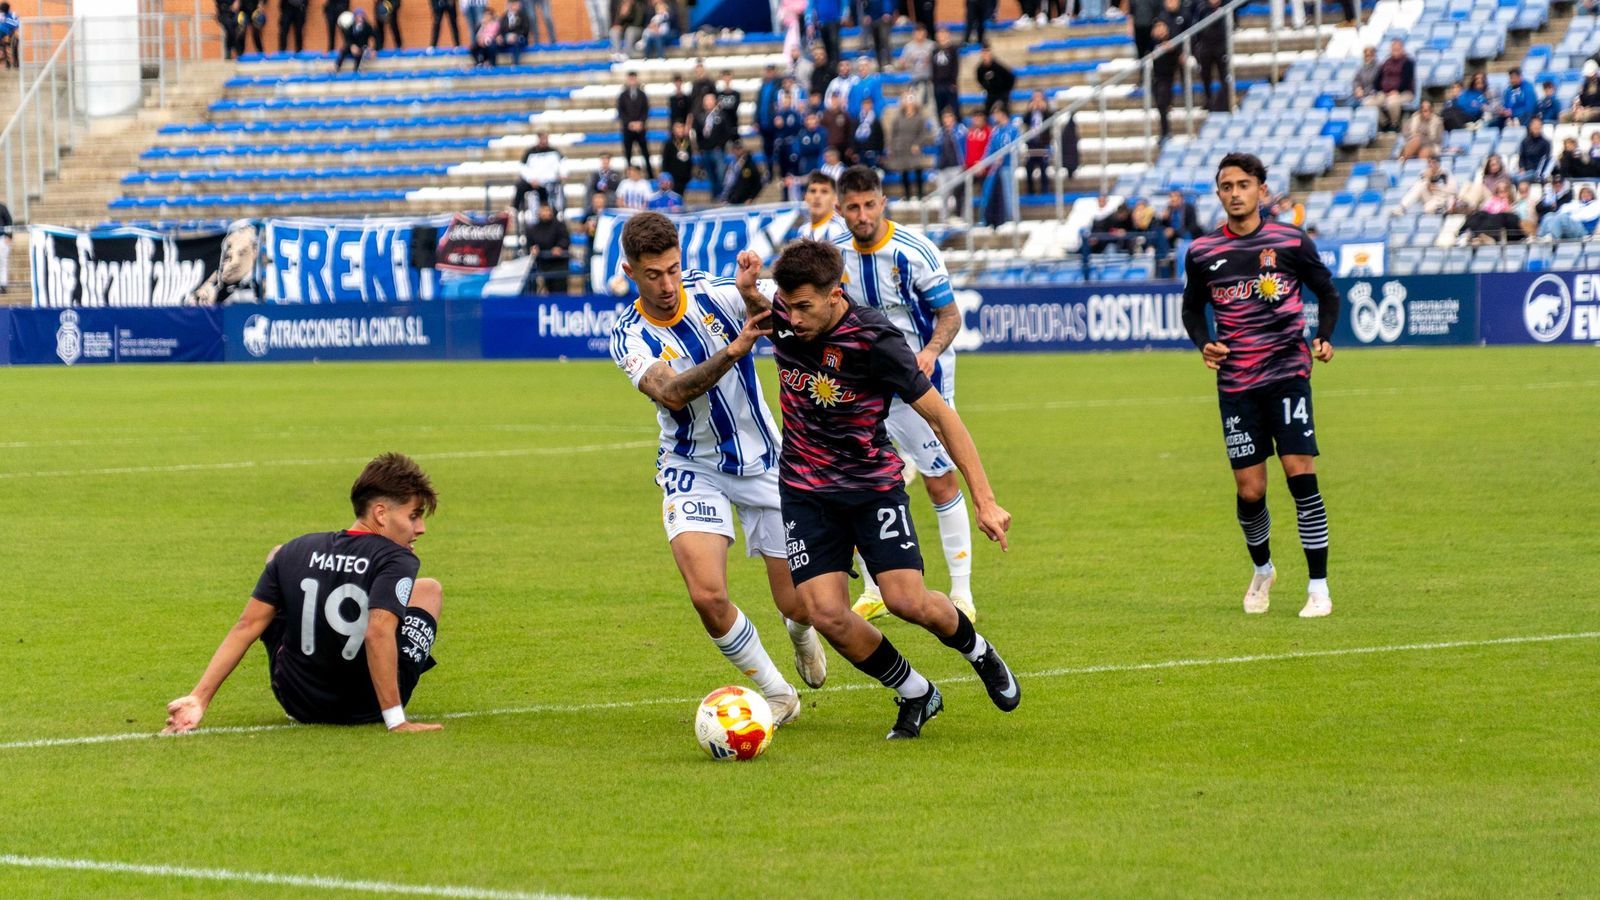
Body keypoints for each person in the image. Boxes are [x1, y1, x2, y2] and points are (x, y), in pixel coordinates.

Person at [731, 239, 1019, 740]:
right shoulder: (782, 311)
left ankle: (979, 651)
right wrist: (750, 291)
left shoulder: (876, 340)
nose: (793, 320)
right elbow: (770, 311)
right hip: (804, 489)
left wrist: (985, 499)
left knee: (907, 600)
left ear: (836, 293)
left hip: (871, 488)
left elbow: (942, 418)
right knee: (825, 613)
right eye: (788, 306)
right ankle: (916, 692)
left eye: (805, 308)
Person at [607, 213, 824, 726]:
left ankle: (799, 632)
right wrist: (733, 349)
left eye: (673, 270)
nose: (666, 284)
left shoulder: (717, 293)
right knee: (707, 594)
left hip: (763, 460)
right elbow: (670, 392)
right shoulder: (629, 334)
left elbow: (793, 318)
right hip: (690, 464)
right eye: (653, 274)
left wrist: (752, 294)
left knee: (798, 604)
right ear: (630, 272)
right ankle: (777, 694)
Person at [162, 454, 445, 735]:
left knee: (277, 559)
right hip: (366, 707)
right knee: (429, 591)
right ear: (381, 514)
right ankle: (390, 703)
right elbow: (378, 631)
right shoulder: (397, 559)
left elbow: (247, 625)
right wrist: (396, 721)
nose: (420, 528)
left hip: (298, 701)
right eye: (414, 516)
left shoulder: (296, 549)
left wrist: (199, 697)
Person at [1181, 152, 1340, 619]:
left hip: (1288, 375)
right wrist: (1204, 343)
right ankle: (1263, 569)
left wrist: (1325, 335)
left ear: (1260, 190)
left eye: (1243, 185)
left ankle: (1318, 587)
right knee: (1250, 490)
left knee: (1300, 476)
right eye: (1226, 186)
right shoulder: (1203, 252)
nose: (1235, 193)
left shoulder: (1291, 242)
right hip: (1236, 384)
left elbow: (1327, 291)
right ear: (1218, 193)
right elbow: (1192, 308)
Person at [825, 167, 980, 623]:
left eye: (869, 204)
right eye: (852, 207)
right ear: (839, 209)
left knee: (939, 480)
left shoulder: (914, 251)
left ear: (883, 202)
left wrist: (929, 353)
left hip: (917, 378)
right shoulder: (833, 256)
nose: (862, 215)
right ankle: (874, 588)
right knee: (851, 481)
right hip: (860, 382)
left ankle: (962, 593)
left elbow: (949, 316)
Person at [188, 223, 259, 304]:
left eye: (241, 253)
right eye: (228, 247)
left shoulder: (259, 286)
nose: (229, 253)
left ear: (254, 252)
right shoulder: (217, 285)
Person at [886, 93, 935, 201]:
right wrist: (892, 147)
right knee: (904, 172)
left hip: (914, 149)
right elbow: (893, 134)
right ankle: (907, 195)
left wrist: (918, 144)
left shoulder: (920, 118)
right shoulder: (898, 118)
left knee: (918, 171)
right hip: (901, 149)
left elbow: (924, 133)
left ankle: (920, 194)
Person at [1365, 39, 1414, 132]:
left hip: (1403, 92)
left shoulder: (1408, 62)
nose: (1395, 51)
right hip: (1385, 92)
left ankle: (1394, 124)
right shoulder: (1386, 62)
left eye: (1397, 49)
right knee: (1368, 103)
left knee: (1392, 102)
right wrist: (1377, 90)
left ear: (1402, 49)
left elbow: (1407, 80)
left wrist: (1397, 91)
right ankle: (1384, 123)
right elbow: (1378, 79)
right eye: (1393, 49)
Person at [1190, 0, 1230, 111]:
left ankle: (1225, 102)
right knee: (1206, 76)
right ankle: (1208, 101)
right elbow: (1195, 27)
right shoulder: (1202, 8)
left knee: (1224, 76)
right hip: (1205, 48)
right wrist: (1196, 48)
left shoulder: (1226, 6)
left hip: (1221, 47)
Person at [524, 204, 572, 293]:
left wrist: (559, 247)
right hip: (542, 263)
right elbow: (530, 245)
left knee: (559, 290)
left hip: (559, 264)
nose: (546, 213)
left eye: (548, 210)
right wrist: (533, 249)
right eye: (543, 210)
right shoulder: (533, 229)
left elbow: (565, 239)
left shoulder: (559, 226)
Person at [1390, 155, 1456, 215]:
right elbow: (1423, 188)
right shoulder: (1425, 172)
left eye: (1434, 162)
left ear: (1438, 163)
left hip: (1441, 198)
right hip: (1429, 196)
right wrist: (1428, 179)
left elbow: (1453, 191)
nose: (1432, 165)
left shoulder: (1445, 173)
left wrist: (1438, 188)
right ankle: (1402, 208)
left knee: (1428, 208)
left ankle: (1441, 210)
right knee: (1419, 185)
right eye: (1430, 163)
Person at [617, 72, 654, 179]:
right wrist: (630, 123)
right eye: (630, 79)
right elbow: (621, 112)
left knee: (645, 153)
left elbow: (646, 110)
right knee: (628, 154)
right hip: (628, 130)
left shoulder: (642, 95)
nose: (632, 81)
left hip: (640, 130)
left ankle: (650, 174)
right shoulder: (623, 96)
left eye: (634, 79)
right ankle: (629, 175)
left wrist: (640, 122)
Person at [798, 171, 851, 242]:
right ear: (806, 197)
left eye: (824, 191)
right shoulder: (803, 230)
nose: (817, 196)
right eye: (813, 191)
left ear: (835, 198)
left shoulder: (840, 231)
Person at [935, 108, 969, 217]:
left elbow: (965, 148)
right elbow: (937, 151)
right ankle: (944, 218)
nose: (947, 120)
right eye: (945, 117)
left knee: (959, 193)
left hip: (957, 166)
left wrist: (964, 163)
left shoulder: (961, 131)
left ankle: (963, 216)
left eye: (949, 117)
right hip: (943, 168)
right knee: (944, 194)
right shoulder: (940, 133)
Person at [695, 93, 731, 191]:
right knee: (711, 175)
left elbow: (727, 132)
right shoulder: (700, 117)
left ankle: (721, 193)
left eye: (710, 100)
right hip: (706, 150)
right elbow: (698, 134)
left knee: (720, 173)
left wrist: (720, 145)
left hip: (718, 150)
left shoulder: (722, 116)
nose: (709, 103)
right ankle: (715, 194)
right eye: (706, 100)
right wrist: (701, 147)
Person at [1020, 90, 1052, 196]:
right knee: (1029, 168)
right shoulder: (1030, 114)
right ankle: (1030, 190)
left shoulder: (1046, 112)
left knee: (1043, 167)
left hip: (1042, 144)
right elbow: (1024, 121)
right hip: (1031, 145)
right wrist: (1030, 110)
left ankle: (1044, 190)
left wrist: (1044, 110)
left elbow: (1051, 121)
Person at [899, 24, 936, 108]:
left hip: (929, 80)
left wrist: (930, 60)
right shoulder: (908, 47)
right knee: (917, 106)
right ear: (914, 33)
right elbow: (902, 64)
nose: (919, 35)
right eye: (917, 32)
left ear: (925, 33)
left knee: (930, 106)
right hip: (914, 80)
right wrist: (904, 63)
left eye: (921, 32)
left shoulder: (932, 45)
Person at [975, 46, 1015, 119]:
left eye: (987, 54)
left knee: (1005, 109)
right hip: (991, 93)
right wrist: (986, 87)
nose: (985, 57)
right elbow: (979, 79)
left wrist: (1007, 89)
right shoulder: (980, 69)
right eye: (984, 54)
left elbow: (1011, 77)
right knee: (986, 110)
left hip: (1002, 92)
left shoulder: (998, 66)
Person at [931, 28, 962, 120]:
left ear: (948, 35)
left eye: (943, 34)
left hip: (949, 84)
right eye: (939, 34)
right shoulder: (934, 51)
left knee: (954, 109)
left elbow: (955, 67)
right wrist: (934, 83)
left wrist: (953, 82)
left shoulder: (953, 49)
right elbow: (933, 68)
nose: (941, 37)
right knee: (939, 109)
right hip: (938, 85)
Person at [660, 122, 696, 200]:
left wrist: (689, 173)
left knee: (680, 196)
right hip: (672, 175)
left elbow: (690, 159)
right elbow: (665, 160)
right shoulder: (669, 143)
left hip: (684, 175)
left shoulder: (687, 143)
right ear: (673, 130)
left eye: (681, 127)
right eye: (678, 127)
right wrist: (665, 174)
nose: (680, 130)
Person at [722, 140, 764, 204]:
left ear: (743, 150)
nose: (737, 151)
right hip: (732, 199)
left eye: (739, 148)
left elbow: (758, 183)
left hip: (744, 200)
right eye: (736, 149)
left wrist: (751, 198)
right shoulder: (731, 165)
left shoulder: (750, 165)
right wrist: (725, 197)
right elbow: (728, 183)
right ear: (733, 151)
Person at [851, 96, 886, 169]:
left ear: (872, 105)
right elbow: (853, 137)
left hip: (873, 152)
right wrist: (854, 152)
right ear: (862, 105)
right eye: (865, 104)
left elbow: (880, 138)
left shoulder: (875, 121)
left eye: (869, 104)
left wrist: (880, 153)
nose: (867, 106)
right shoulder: (857, 120)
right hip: (860, 152)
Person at [1515, 116, 1552, 184]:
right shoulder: (1524, 141)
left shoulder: (1546, 143)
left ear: (1541, 126)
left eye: (1538, 124)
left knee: (1519, 179)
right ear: (1530, 126)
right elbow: (1522, 158)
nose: (1536, 127)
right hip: (1525, 172)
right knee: (1510, 177)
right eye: (1534, 124)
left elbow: (1545, 161)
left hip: (1536, 172)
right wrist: (1522, 169)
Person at [335, 8, 373, 73]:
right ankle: (337, 67)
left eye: (361, 16)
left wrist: (373, 49)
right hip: (352, 46)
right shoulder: (351, 27)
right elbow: (347, 39)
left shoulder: (368, 27)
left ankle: (357, 69)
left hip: (362, 46)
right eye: (358, 16)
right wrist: (352, 46)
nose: (360, 18)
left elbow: (375, 37)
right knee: (344, 50)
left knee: (360, 53)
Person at [861, 0, 895, 69]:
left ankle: (888, 63)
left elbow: (888, 2)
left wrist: (887, 12)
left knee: (884, 41)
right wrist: (866, 14)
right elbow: (865, 4)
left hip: (884, 18)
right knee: (876, 44)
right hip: (873, 19)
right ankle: (880, 65)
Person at [0, 199, 11, 293]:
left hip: (1, 238)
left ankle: (3, 284)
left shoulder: (2, 207)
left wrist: (9, 236)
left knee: (3, 262)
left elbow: (9, 221)